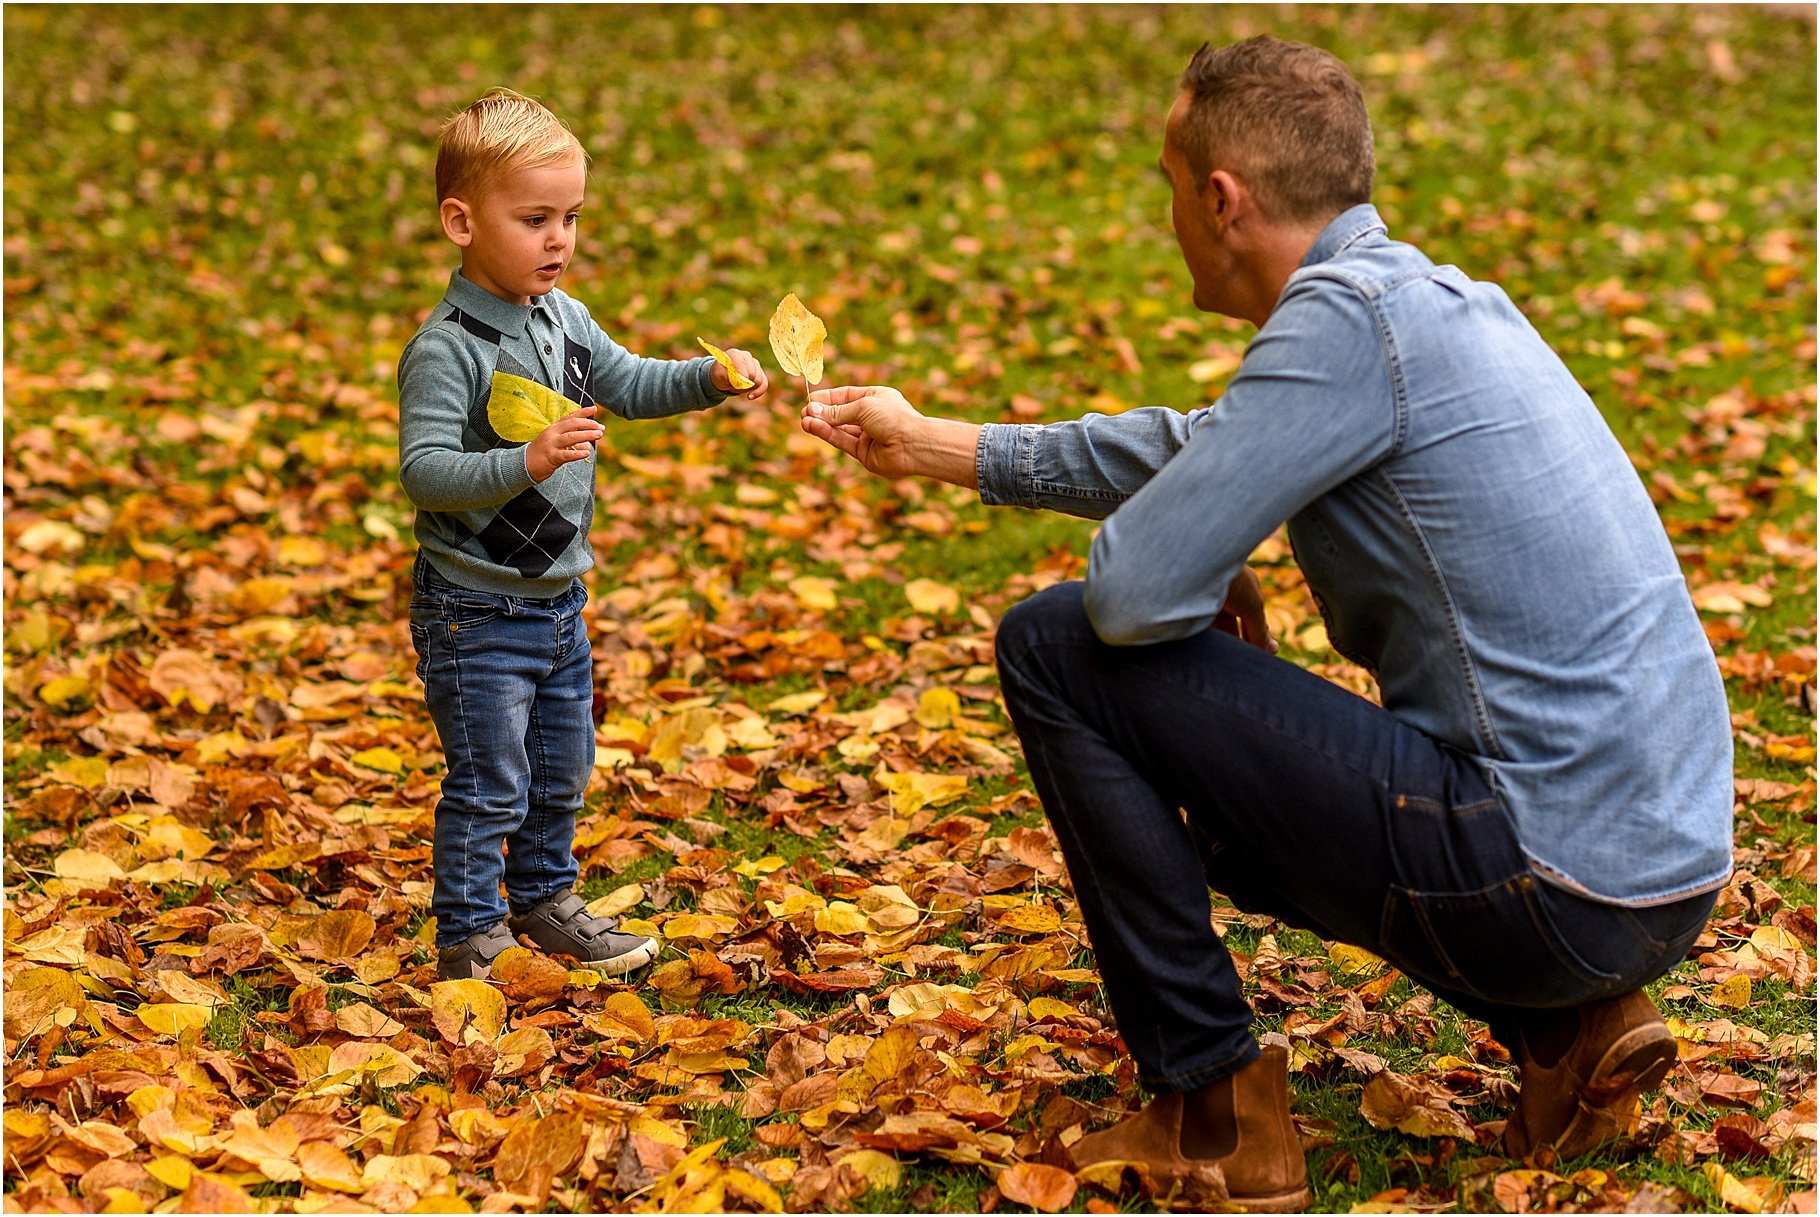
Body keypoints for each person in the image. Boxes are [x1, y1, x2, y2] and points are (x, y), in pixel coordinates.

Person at [802, 36, 1731, 1210]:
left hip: (1547, 878)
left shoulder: (1346, 324)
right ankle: (1572, 1031)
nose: (1168, 214)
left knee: (1054, 645)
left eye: (1165, 185)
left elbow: (1134, 595)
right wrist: (939, 444)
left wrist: (1207, 578)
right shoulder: (1428, 306)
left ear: (1220, 197)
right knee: (1226, 762)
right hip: (1662, 870)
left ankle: (1212, 1106)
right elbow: (1208, 450)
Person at [397, 88, 769, 981]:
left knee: (562, 768)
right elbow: (425, 472)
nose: (559, 239)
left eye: (570, 217)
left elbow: (632, 385)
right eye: (534, 218)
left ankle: (544, 899)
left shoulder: (564, 320)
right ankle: (469, 935)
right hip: (473, 610)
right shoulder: (447, 349)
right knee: (491, 781)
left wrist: (709, 378)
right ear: (460, 221)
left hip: (560, 600)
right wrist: (523, 461)